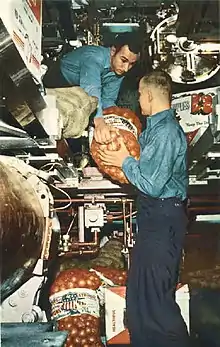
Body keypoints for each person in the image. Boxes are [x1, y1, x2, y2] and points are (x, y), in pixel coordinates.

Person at [98, 70, 190, 347]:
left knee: (156, 304)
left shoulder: (166, 132)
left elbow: (150, 183)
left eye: (139, 94)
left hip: (162, 218)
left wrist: (124, 159)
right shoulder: (154, 129)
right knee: (140, 301)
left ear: (149, 94)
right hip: (154, 217)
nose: (139, 100)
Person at [43, 32, 141, 144]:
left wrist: (119, 118)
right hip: (57, 81)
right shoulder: (94, 57)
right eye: (123, 60)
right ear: (113, 51)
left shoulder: (118, 72)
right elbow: (91, 89)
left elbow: (107, 99)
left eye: (131, 64)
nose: (126, 68)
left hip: (78, 91)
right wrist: (99, 122)